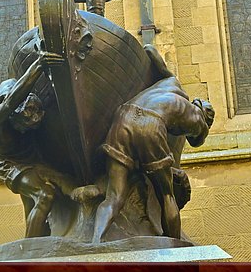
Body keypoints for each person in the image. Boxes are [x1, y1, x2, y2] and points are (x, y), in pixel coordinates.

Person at [0, 45, 96, 237]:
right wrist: (39, 63)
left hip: (35, 159)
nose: (30, 127)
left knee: (47, 199)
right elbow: (11, 102)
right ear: (12, 116)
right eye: (25, 124)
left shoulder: (27, 103)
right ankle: (28, 255)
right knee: (45, 195)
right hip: (11, 164)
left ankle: (40, 240)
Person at [91, 67, 215, 243]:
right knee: (166, 195)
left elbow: (149, 48)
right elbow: (197, 141)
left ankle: (96, 242)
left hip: (124, 115)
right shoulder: (198, 119)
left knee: (114, 197)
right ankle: (174, 246)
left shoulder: (172, 83)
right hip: (150, 123)